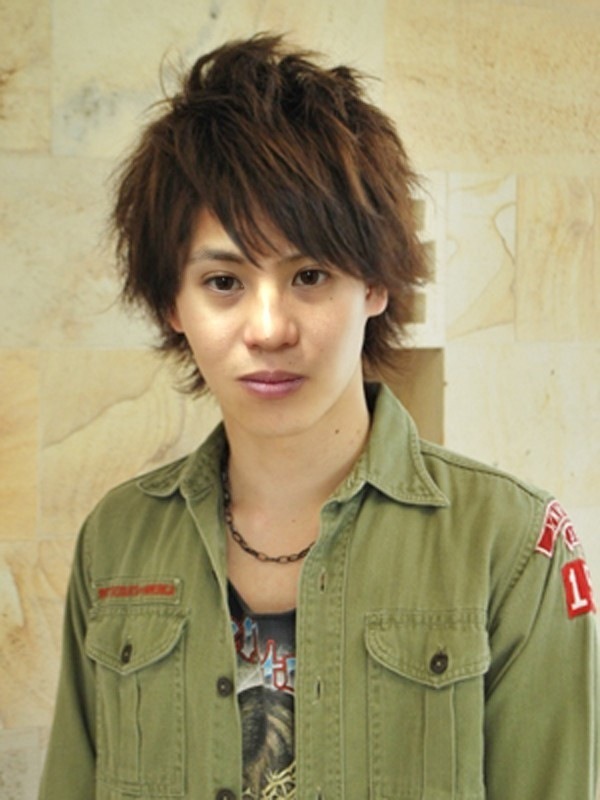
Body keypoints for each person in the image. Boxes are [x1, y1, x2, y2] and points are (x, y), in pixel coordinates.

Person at [39, 34, 598, 800]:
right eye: (224, 282)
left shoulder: (515, 546)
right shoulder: (118, 540)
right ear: (172, 302)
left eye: (309, 274)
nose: (270, 328)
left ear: (374, 284)